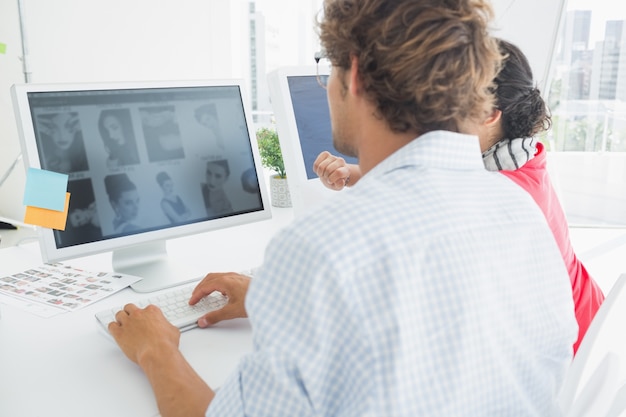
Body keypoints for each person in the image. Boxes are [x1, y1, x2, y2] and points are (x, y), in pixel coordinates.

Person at [108, 1, 578, 416]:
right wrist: (276, 298)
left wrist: (156, 349)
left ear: (354, 75)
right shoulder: (518, 212)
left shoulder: (321, 248)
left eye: (326, 65)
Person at [313, 38, 605, 355]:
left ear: (489, 114)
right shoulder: (522, 155)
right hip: (587, 317)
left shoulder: (499, 199)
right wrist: (357, 174)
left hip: (564, 350)